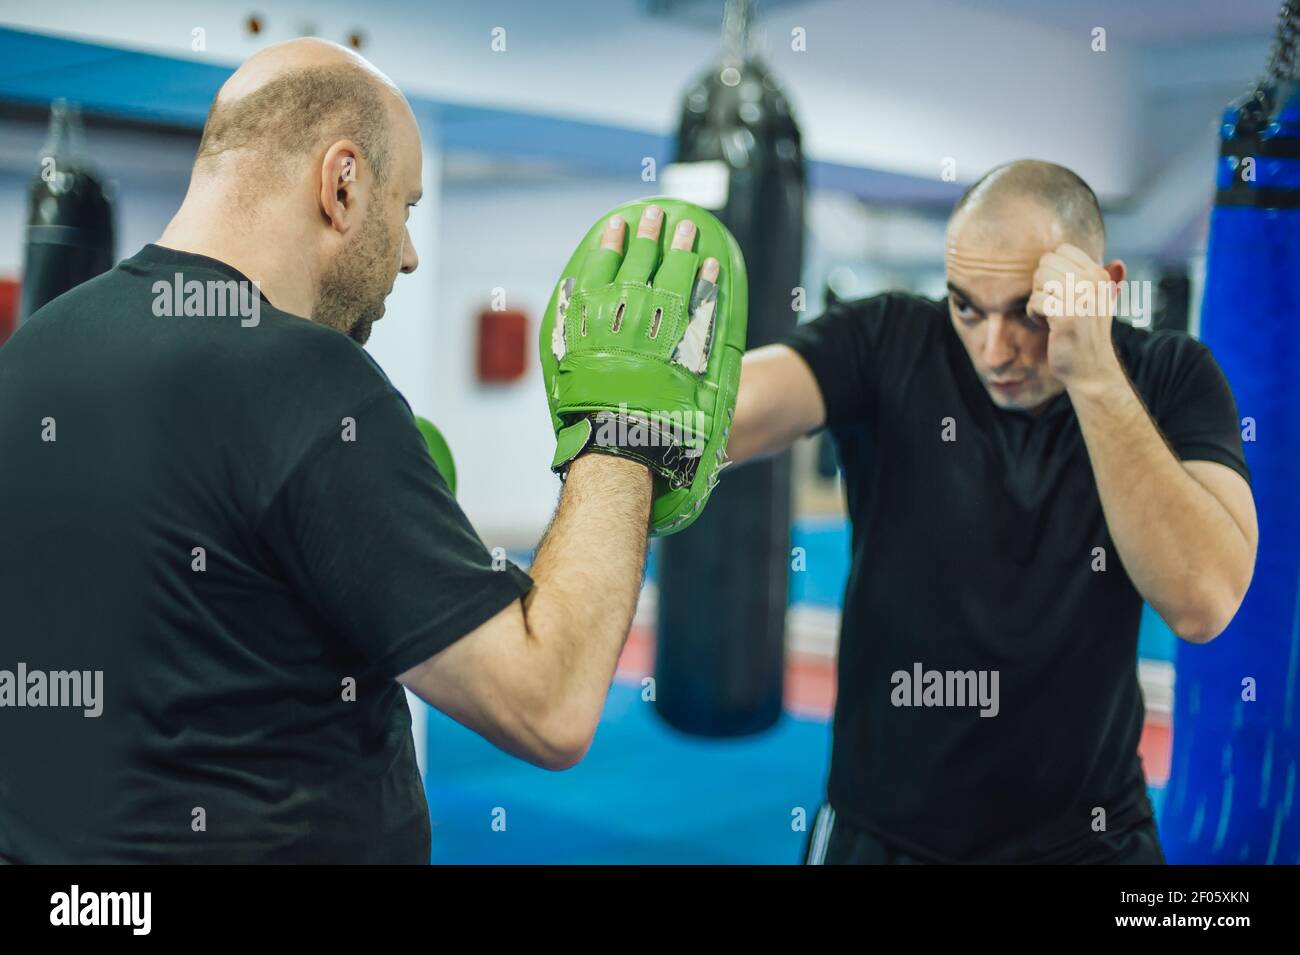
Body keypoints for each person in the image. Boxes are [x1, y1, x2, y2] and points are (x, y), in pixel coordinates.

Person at [0, 38, 717, 863]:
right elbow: (547, 704)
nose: (410, 253)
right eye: (407, 206)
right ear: (342, 184)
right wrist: (621, 434)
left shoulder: (34, 349)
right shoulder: (306, 378)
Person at [728, 159, 1258, 864]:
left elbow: (1205, 600)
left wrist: (1094, 377)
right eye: (966, 306)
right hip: (882, 831)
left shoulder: (1169, 375)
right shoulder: (888, 339)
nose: (993, 349)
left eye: (1025, 312)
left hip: (1088, 838)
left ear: (1105, 291)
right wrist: (653, 397)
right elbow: (735, 413)